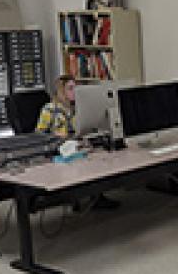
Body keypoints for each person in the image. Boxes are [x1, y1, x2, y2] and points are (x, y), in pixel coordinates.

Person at [36, 75, 119, 209]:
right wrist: (56, 135)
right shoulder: (49, 109)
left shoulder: (79, 109)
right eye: (70, 88)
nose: (75, 92)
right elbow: (39, 134)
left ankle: (96, 197)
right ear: (61, 91)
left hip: (78, 146)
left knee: (102, 158)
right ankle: (81, 197)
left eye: (76, 88)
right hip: (59, 150)